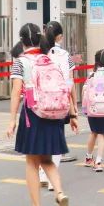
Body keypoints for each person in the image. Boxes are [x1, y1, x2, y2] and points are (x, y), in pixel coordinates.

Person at [6, 23, 76, 206]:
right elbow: (65, 87)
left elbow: (16, 93)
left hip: (33, 114)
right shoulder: (50, 59)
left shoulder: (21, 62)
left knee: (31, 161)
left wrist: (12, 120)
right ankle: (59, 193)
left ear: (22, 41)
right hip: (54, 113)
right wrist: (72, 114)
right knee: (47, 159)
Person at [37, 21, 72, 191]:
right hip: (59, 101)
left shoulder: (39, 54)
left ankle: (42, 174)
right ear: (60, 37)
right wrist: (73, 108)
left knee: (42, 137)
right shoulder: (64, 55)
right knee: (57, 139)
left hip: (41, 101)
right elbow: (69, 81)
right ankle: (52, 179)